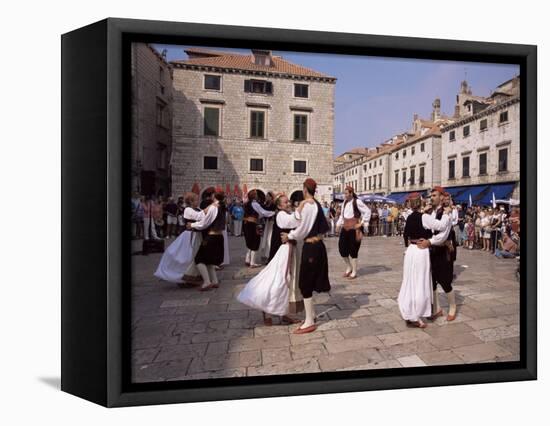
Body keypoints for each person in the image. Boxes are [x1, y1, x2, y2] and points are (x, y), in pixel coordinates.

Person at [237, 193, 303, 326]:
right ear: (279, 205)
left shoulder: (285, 213)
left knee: (286, 280)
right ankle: (267, 309)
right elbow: (293, 221)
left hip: (289, 249)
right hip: (284, 251)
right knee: (280, 279)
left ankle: (283, 313)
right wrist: (303, 206)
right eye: (285, 202)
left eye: (288, 202)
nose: (288, 204)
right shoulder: (281, 215)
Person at [281, 178, 331, 334]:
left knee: (305, 283)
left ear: (304, 189)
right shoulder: (314, 204)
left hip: (311, 247)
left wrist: (289, 236)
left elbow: (302, 228)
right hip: (317, 246)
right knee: (308, 281)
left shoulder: (308, 205)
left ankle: (309, 321)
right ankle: (312, 315)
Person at [398, 193, 450, 328]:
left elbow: (406, 235)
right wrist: (446, 214)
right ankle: (415, 315)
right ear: (421, 202)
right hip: (421, 251)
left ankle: (409, 312)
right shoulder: (424, 217)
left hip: (410, 250)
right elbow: (441, 226)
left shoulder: (409, 217)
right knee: (420, 282)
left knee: (409, 282)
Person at [417, 187, 457, 322]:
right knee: (432, 282)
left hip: (442, 251)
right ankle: (437, 309)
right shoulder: (432, 212)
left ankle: (452, 307)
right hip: (432, 251)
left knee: (445, 282)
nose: (431, 198)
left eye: (434, 195)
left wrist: (430, 241)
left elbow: (443, 235)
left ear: (441, 197)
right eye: (431, 195)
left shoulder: (447, 213)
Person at [154, 192, 205, 284]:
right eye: (196, 200)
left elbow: (203, 218)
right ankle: (184, 275)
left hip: (198, 235)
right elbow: (199, 216)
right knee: (187, 256)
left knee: (196, 255)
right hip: (190, 235)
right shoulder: (188, 210)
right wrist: (210, 208)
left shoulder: (198, 209)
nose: (198, 201)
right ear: (190, 201)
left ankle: (195, 276)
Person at [189, 190, 227, 291]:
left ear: (214, 196)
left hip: (212, 237)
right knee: (209, 260)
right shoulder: (222, 206)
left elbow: (204, 223)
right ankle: (214, 281)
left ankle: (206, 282)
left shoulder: (214, 207)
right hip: (219, 236)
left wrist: (192, 225)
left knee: (199, 259)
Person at [336, 186, 371, 280]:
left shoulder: (357, 202)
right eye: (345, 193)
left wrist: (362, 223)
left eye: (346, 193)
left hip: (354, 230)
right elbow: (342, 215)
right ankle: (349, 267)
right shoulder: (344, 202)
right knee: (342, 249)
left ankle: (354, 271)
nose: (345, 195)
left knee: (353, 250)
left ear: (351, 193)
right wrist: (338, 224)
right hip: (345, 228)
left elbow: (367, 211)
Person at [243, 190, 275, 268]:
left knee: (249, 241)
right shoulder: (255, 204)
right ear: (254, 196)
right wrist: (273, 213)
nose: (257, 196)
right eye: (256, 195)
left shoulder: (247, 203)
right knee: (255, 241)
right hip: (252, 224)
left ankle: (247, 259)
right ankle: (252, 262)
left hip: (246, 223)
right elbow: (263, 212)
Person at [259, 191, 277, 261]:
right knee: (266, 239)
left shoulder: (273, 204)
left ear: (270, 197)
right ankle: (265, 255)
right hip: (267, 223)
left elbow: (271, 212)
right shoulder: (266, 204)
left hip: (272, 224)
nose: (266, 197)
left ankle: (269, 255)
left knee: (269, 239)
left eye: (267, 196)